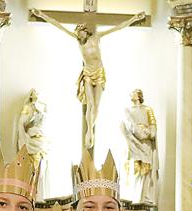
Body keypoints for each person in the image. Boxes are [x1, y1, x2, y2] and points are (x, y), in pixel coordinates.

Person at [30, 9, 145, 151]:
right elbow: (58, 25)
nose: (78, 35)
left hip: (100, 73)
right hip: (88, 74)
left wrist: (134, 18)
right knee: (90, 104)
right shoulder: (78, 41)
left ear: (85, 30)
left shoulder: (96, 37)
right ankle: (90, 131)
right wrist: (41, 15)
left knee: (96, 105)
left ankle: (91, 128)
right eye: (77, 33)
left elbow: (116, 28)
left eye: (80, 32)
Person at [120, 88, 159, 204]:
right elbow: (129, 125)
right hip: (134, 143)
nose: (131, 95)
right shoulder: (127, 110)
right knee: (135, 168)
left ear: (138, 96)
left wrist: (150, 133)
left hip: (146, 144)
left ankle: (144, 195)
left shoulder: (148, 109)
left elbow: (153, 125)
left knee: (146, 169)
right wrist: (140, 133)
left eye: (133, 93)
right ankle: (134, 196)